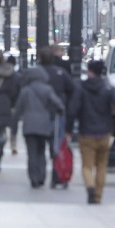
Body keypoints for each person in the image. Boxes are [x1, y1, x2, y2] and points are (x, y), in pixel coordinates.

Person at [66, 60, 115, 204]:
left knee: (87, 166)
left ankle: (90, 187)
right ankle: (98, 195)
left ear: (89, 71)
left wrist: (69, 129)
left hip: (86, 132)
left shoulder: (81, 88)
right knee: (101, 165)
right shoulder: (107, 88)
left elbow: (73, 109)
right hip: (104, 132)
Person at [14, 67, 64, 189]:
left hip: (29, 125)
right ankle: (42, 176)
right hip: (43, 125)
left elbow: (18, 110)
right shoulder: (48, 89)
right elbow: (58, 104)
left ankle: (33, 178)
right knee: (41, 151)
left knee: (31, 153)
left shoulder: (25, 91)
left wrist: (14, 124)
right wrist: (55, 111)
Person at [39, 47, 76, 189]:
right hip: (57, 112)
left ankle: (40, 174)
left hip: (41, 111)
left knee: (40, 144)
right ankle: (57, 175)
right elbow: (72, 89)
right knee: (57, 143)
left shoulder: (37, 72)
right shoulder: (60, 73)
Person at [7, 55, 22, 156]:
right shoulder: (18, 76)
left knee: (2, 124)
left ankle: (3, 140)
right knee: (14, 127)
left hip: (4, 104)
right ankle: (13, 145)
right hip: (14, 105)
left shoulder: (3, 75)